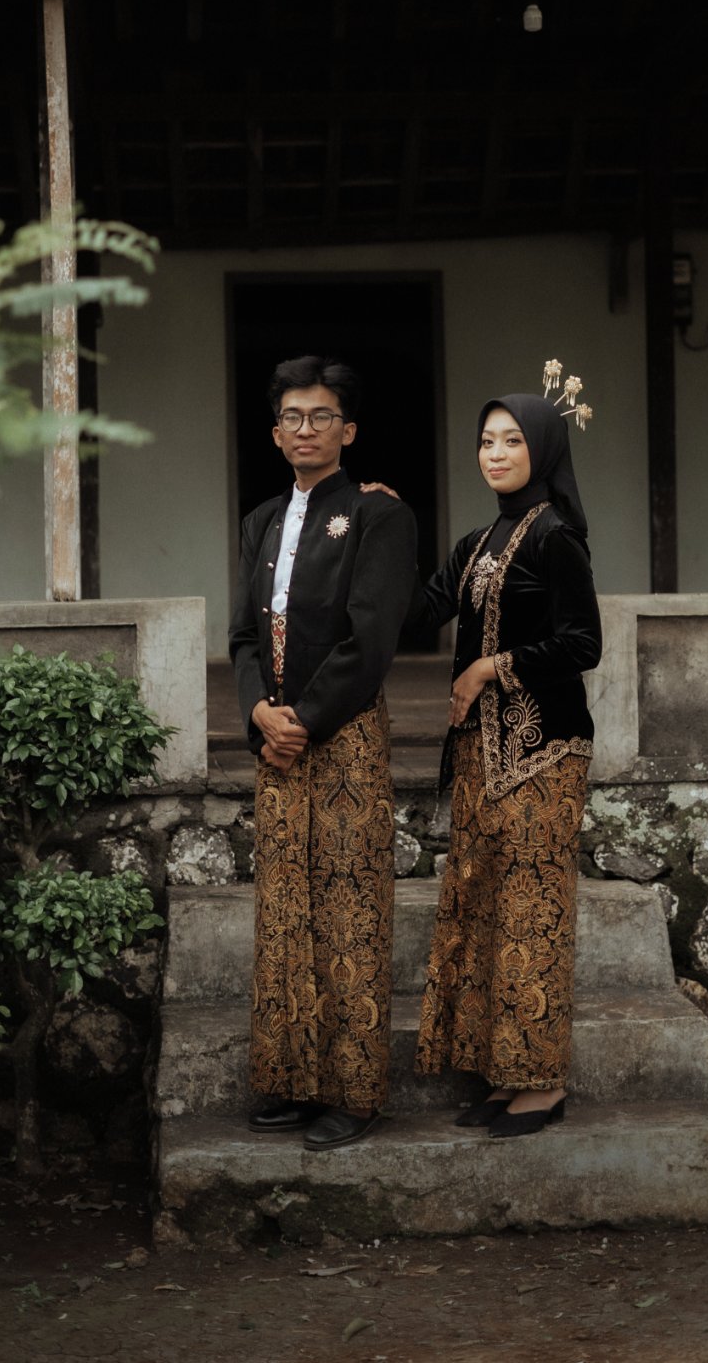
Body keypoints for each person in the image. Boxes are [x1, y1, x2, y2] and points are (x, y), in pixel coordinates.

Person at [229, 355, 418, 1151]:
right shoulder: (261, 522)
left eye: (322, 416)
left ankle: (355, 1091)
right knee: (285, 912)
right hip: (277, 741)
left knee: (348, 910)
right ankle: (294, 1080)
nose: (306, 429)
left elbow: (371, 637)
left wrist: (303, 719)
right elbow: (244, 637)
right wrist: (259, 714)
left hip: (343, 736)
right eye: (292, 417)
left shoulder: (377, 516)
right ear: (276, 434)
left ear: (349, 430)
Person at [410, 383, 601, 1138]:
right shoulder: (477, 542)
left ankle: (542, 1085)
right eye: (487, 440)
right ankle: (501, 1072)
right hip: (479, 759)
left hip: (542, 754)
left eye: (512, 440)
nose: (495, 453)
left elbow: (583, 643)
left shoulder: (557, 537)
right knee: (484, 911)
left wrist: (491, 668)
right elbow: (420, 611)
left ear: (543, 449)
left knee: (531, 916)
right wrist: (376, 527)